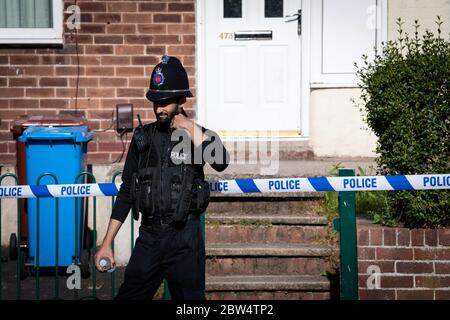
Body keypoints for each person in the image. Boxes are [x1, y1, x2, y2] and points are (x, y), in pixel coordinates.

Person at [95, 55, 229, 300]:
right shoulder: (142, 138)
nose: (158, 108)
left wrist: (189, 127)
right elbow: (126, 192)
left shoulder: (198, 135)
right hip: (150, 237)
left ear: (181, 100)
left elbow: (221, 161)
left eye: (165, 102)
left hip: (185, 239)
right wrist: (106, 243)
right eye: (155, 102)